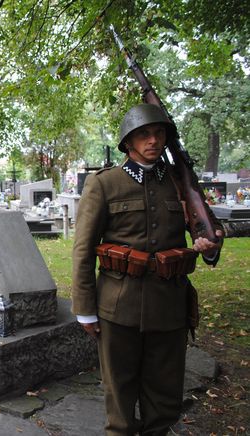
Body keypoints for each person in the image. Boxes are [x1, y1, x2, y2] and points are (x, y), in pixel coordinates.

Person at [72, 104, 224, 435]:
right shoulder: (105, 184)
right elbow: (83, 248)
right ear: (128, 142)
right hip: (118, 306)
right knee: (120, 398)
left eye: (159, 133)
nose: (153, 140)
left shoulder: (179, 183)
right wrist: (85, 309)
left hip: (169, 306)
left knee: (165, 396)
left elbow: (206, 235)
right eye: (144, 134)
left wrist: (209, 248)